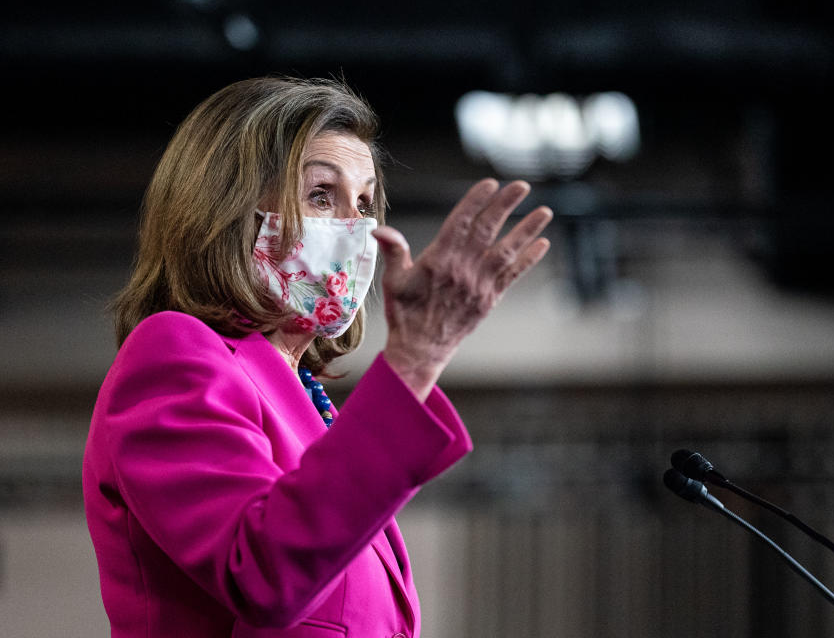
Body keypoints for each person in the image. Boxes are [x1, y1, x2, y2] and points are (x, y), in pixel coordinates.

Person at [82, 76, 552, 638]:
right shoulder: (173, 354)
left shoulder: (307, 400)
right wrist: (416, 360)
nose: (355, 230)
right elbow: (262, 575)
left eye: (363, 202)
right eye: (320, 195)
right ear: (227, 209)